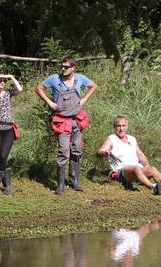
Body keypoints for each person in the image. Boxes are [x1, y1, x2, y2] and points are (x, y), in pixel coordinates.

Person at [35, 56, 97, 195]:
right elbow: (39, 88)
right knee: (63, 151)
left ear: (73, 68)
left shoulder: (80, 78)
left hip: (77, 120)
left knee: (77, 150)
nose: (63, 69)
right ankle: (60, 185)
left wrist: (84, 100)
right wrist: (50, 103)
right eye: (62, 66)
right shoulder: (54, 79)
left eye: (66, 67)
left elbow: (93, 86)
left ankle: (74, 181)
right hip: (62, 121)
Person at [97, 115, 161, 195]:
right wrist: (104, 152)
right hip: (120, 171)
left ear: (127, 126)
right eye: (118, 126)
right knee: (135, 168)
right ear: (114, 127)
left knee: (152, 169)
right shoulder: (111, 139)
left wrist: (147, 166)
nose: (121, 129)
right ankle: (153, 187)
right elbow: (101, 150)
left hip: (137, 170)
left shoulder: (132, 139)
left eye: (123, 126)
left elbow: (140, 155)